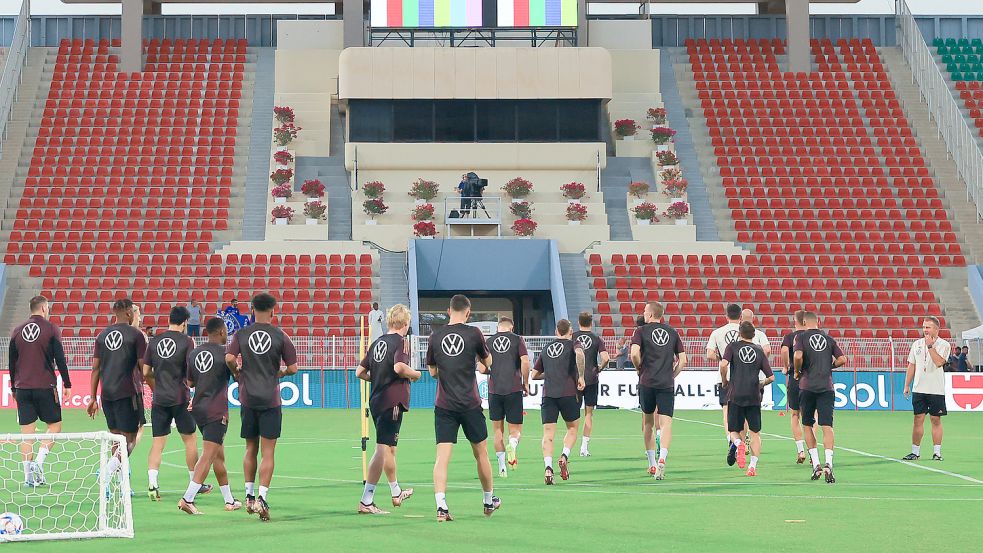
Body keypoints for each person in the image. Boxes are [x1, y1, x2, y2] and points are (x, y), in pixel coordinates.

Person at [426, 294, 500, 522]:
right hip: (469, 403)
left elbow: (432, 371)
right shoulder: (474, 334)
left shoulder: (435, 336)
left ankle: (441, 506)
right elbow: (488, 363)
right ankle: (488, 501)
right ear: (468, 313)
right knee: (481, 454)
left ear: (449, 311)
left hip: (445, 404)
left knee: (442, 458)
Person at [225, 293, 298, 522]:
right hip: (270, 399)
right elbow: (294, 368)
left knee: (250, 448)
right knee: (268, 452)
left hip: (248, 398)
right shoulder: (280, 335)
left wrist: (237, 373)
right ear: (273, 311)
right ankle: (262, 498)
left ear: (252, 309)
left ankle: (247, 495)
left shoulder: (242, 333)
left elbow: (228, 357)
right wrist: (282, 373)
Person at [356, 304, 420, 514]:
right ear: (404, 323)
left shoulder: (377, 342)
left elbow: (360, 372)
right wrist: (416, 374)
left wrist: (378, 377)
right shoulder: (401, 342)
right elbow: (399, 368)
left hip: (376, 400)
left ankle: (395, 492)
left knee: (389, 449)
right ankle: (366, 500)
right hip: (392, 400)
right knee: (382, 450)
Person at [143, 306, 208, 502]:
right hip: (180, 398)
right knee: (190, 440)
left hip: (160, 398)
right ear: (185, 323)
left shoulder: (154, 342)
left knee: (158, 443)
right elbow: (192, 371)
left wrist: (158, 386)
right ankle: (193, 484)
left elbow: (146, 372)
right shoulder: (187, 341)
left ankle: (153, 484)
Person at [180, 317, 243, 514]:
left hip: (198, 408)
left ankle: (229, 500)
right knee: (208, 455)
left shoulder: (195, 353)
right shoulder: (225, 354)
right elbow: (238, 376)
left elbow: (190, 382)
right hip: (216, 411)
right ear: (221, 332)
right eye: (226, 331)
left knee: (218, 456)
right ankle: (187, 499)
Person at [9, 295, 71, 487]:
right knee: (55, 425)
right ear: (44, 308)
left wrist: (13, 386)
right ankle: (40, 461)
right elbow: (60, 358)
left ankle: (28, 477)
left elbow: (11, 362)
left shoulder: (17, 331)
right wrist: (67, 383)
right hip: (45, 386)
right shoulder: (51, 329)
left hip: (22, 388)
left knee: (27, 434)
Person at [86, 298, 149, 484]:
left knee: (116, 439)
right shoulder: (136, 335)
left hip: (107, 395)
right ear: (129, 313)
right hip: (128, 392)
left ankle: (122, 485)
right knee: (130, 438)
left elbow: (95, 368)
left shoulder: (102, 335)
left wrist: (92, 398)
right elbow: (143, 368)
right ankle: (107, 471)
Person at [631, 302, 686, 480]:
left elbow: (633, 354)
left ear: (651, 314)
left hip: (647, 381)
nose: (643, 314)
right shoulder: (673, 332)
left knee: (648, 422)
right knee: (666, 423)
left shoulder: (641, 331)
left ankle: (652, 464)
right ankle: (663, 458)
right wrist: (672, 375)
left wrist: (639, 368)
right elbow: (683, 360)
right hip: (666, 383)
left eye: (645, 311)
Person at [793, 311, 847, 483]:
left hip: (807, 386)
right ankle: (829, 464)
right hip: (826, 386)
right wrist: (829, 366)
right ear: (818, 322)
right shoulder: (828, 339)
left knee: (808, 424)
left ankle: (816, 463)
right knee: (827, 426)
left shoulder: (801, 338)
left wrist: (797, 371)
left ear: (803, 322)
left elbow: (798, 355)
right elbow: (842, 359)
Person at [532, 319, 585, 485]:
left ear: (556, 332)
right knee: (572, 428)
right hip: (568, 393)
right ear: (570, 332)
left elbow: (534, 375)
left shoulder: (546, 348)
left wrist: (550, 375)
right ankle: (564, 456)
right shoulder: (573, 344)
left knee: (548, 434)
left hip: (548, 395)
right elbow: (581, 354)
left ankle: (548, 467)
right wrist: (581, 376)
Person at [720, 322, 775, 477]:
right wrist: (760, 384)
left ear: (739, 333)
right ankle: (752, 467)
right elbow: (771, 377)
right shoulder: (759, 350)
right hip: (753, 396)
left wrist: (725, 381)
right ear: (753, 335)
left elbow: (723, 365)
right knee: (755, 432)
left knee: (733, 431)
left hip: (736, 394)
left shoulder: (732, 347)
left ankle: (739, 444)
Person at [480, 317, 530, 477]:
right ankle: (513, 446)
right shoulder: (517, 339)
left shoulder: (489, 341)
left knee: (497, 431)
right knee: (515, 430)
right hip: (513, 388)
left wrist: (494, 371)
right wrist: (526, 382)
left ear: (498, 327)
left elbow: (481, 369)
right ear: (511, 327)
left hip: (495, 390)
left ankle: (502, 468)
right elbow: (525, 362)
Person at [902, 316, 951, 462]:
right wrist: (907, 385)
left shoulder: (944, 345)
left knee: (935, 419)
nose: (925, 330)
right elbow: (912, 365)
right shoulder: (916, 344)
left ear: (936, 329)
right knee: (918, 419)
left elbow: (938, 362)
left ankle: (937, 452)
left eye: (928, 327)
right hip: (919, 388)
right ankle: (915, 452)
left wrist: (930, 346)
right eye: (923, 327)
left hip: (936, 389)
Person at [572, 312, 608, 457]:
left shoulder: (573, 337)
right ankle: (584, 447)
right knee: (589, 414)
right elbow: (606, 358)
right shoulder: (596, 338)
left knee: (573, 414)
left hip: (575, 378)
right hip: (591, 378)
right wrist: (599, 368)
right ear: (591, 323)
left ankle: (568, 446)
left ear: (579, 322)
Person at [707, 304, 742, 443]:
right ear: (740, 316)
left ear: (726, 316)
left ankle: (731, 440)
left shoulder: (717, 332)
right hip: (744, 377)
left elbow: (710, 354)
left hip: (725, 376)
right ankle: (742, 439)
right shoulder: (746, 331)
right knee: (744, 410)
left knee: (726, 411)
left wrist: (722, 359)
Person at [780, 311, 809, 464]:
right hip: (810, 379)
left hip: (795, 379)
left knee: (795, 415)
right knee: (811, 417)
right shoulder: (812, 336)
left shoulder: (790, 337)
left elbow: (784, 350)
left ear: (795, 321)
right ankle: (813, 451)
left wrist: (786, 366)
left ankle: (800, 450)